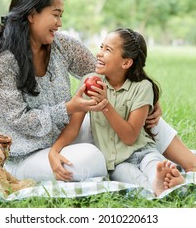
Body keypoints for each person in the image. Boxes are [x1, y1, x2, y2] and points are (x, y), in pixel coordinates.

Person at [0, 0, 196, 183]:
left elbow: (109, 70)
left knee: (138, 115)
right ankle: (141, 173)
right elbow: (20, 121)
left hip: (64, 136)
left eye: (61, 16)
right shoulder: (3, 62)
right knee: (90, 159)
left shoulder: (60, 45)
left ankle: (195, 165)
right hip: (26, 154)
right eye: (55, 15)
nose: (60, 24)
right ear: (31, 15)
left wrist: (148, 102)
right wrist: (70, 108)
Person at [48, 28, 185, 196]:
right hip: (117, 163)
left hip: (143, 150)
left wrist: (105, 105)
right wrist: (54, 151)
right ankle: (160, 186)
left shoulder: (142, 87)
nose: (99, 54)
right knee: (132, 180)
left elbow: (130, 137)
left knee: (153, 164)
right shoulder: (90, 82)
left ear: (126, 63)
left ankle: (164, 177)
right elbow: (73, 127)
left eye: (108, 50)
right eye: (101, 47)